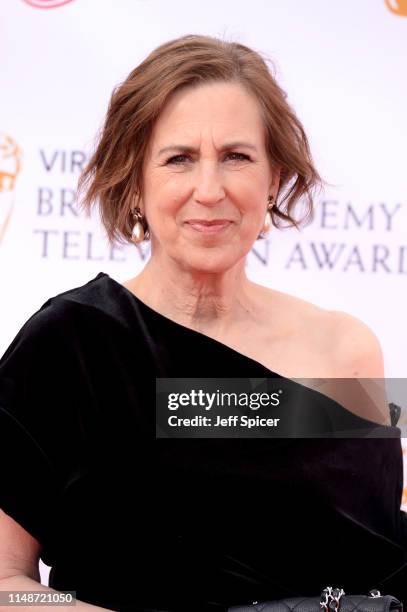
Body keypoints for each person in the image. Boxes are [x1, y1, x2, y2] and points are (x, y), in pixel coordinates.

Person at [0, 34, 406, 612]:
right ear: (135, 183)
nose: (209, 190)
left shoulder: (345, 350)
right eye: (179, 158)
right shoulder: (70, 348)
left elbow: (381, 576)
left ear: (274, 181)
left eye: (237, 157)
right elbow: (7, 588)